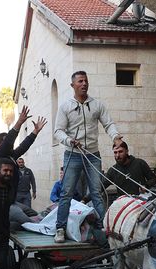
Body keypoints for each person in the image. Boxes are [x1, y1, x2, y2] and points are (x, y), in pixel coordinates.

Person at [54, 70, 122, 243]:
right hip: (73, 154)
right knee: (66, 193)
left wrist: (116, 137)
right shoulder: (65, 106)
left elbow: (108, 123)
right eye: (80, 81)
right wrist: (69, 141)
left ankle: (107, 227)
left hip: (93, 155)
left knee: (97, 193)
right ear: (73, 85)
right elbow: (58, 131)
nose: (84, 84)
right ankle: (60, 229)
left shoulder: (97, 104)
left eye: (86, 81)